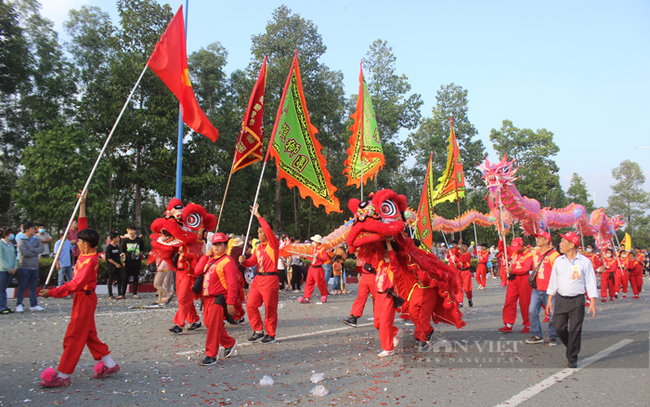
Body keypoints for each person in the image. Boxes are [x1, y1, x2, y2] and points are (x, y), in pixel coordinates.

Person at [38, 192, 119, 387]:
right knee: (89, 333)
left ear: (88, 243)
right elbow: (83, 226)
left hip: (85, 298)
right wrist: (82, 203)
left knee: (74, 335)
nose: (77, 241)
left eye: (80, 241)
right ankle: (109, 363)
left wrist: (53, 292)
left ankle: (63, 375)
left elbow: (74, 284)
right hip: (83, 299)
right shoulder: (85, 250)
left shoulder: (90, 261)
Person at [547, 231, 598, 368]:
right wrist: (550, 298)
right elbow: (553, 280)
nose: (560, 244)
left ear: (571, 244)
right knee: (558, 327)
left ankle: (572, 357)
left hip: (577, 300)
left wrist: (592, 301)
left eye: (563, 242)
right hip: (562, 299)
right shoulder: (559, 260)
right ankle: (571, 345)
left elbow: (591, 282)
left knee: (575, 329)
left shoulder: (585, 262)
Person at [239, 203, 280, 344]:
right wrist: (243, 261)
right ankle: (258, 330)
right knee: (250, 304)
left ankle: (270, 333)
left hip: (270, 279)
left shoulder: (273, 245)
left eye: (261, 232)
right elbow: (251, 262)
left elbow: (267, 228)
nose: (259, 234)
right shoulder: (258, 248)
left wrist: (257, 215)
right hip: (258, 280)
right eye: (258, 232)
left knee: (270, 308)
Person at [196, 233, 238, 365]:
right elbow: (197, 271)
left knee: (213, 327)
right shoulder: (211, 259)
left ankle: (211, 355)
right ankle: (229, 343)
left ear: (226, 246)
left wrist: (230, 303)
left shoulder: (228, 261)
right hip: (207, 299)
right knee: (210, 324)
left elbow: (232, 284)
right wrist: (206, 255)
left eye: (220, 244)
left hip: (218, 299)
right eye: (214, 244)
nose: (217, 247)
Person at [526, 231, 560, 346]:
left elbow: (559, 272)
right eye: (537, 238)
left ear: (547, 241)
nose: (538, 240)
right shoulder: (535, 253)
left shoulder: (554, 255)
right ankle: (537, 335)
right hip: (537, 289)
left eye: (541, 238)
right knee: (532, 311)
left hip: (550, 290)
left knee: (552, 313)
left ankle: (553, 336)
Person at [374, 236, 401, 357]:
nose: (386, 252)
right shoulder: (380, 262)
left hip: (388, 297)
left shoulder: (394, 265)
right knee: (377, 323)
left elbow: (392, 256)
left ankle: (388, 348)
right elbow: (373, 252)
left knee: (384, 324)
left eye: (387, 251)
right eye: (384, 251)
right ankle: (395, 331)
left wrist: (388, 242)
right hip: (378, 297)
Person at [499, 237, 533, 333]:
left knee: (525, 303)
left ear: (522, 246)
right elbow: (502, 248)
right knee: (509, 300)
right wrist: (502, 237)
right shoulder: (514, 252)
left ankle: (527, 324)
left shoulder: (529, 254)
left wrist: (512, 270)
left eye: (517, 248)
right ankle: (508, 324)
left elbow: (526, 268)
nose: (515, 251)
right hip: (513, 279)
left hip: (524, 279)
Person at [16, 222, 44, 312]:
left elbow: (42, 248)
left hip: (34, 267)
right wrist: (35, 252)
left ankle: (34, 304)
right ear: (27, 229)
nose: (34, 230)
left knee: (33, 287)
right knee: (22, 286)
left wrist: (32, 250)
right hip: (24, 267)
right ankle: (19, 304)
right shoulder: (21, 240)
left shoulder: (35, 239)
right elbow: (25, 253)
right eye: (32, 228)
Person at [298, 234, 329, 304]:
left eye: (314, 241)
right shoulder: (314, 248)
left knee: (320, 283)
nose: (313, 242)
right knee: (308, 283)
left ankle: (324, 295)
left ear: (318, 242)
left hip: (318, 269)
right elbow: (312, 257)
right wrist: (305, 256)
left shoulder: (322, 249)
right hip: (312, 268)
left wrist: (318, 257)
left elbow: (325, 258)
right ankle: (306, 297)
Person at [121, 225, 144, 298]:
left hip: (137, 261)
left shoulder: (139, 240)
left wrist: (138, 254)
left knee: (135, 277)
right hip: (128, 261)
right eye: (129, 230)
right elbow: (123, 252)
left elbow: (142, 250)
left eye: (132, 230)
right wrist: (124, 261)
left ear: (135, 231)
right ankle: (123, 293)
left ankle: (134, 293)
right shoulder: (125, 241)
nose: (131, 232)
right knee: (125, 277)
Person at [0, 227, 18, 314]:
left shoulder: (10, 244)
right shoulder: (0, 244)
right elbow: (1, 258)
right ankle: (1, 307)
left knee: (4, 288)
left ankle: (4, 305)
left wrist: (14, 267)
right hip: (2, 270)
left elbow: (14, 256)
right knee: (1, 289)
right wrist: (8, 268)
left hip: (10, 270)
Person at [105, 231, 123, 300]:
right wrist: (116, 264)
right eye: (117, 237)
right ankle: (110, 294)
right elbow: (109, 258)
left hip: (118, 266)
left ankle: (120, 293)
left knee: (119, 279)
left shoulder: (116, 247)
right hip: (111, 267)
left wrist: (120, 263)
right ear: (113, 238)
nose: (118, 238)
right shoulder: (109, 247)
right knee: (111, 280)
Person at [456, 241, 473, 307]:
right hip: (459, 271)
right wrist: (458, 245)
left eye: (465, 246)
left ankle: (469, 298)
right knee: (459, 287)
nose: (463, 248)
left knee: (467, 289)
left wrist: (461, 253)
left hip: (466, 272)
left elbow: (463, 260)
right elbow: (455, 253)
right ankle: (460, 302)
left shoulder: (468, 254)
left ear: (467, 248)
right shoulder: (459, 253)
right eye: (462, 246)